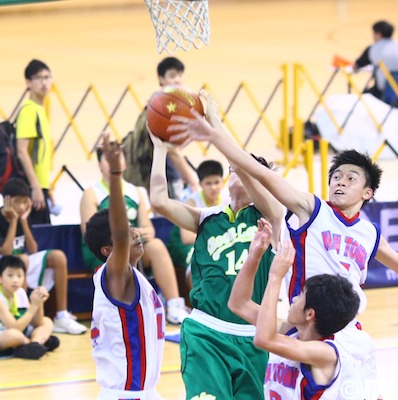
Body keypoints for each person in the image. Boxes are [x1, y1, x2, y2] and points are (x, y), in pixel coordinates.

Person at [168, 90, 398, 399]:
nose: (340, 181)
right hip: (304, 323)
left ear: (368, 193)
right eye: (336, 176)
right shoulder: (311, 209)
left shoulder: (368, 233)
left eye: (351, 178)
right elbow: (259, 171)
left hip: (346, 330)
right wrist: (215, 127)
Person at [150, 129, 285, 399]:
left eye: (248, 169)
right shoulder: (206, 217)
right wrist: (160, 148)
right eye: (235, 168)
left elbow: (272, 202)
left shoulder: (273, 215)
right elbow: (159, 202)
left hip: (253, 335)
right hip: (206, 331)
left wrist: (234, 153)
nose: (238, 171)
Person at [229, 219, 361, 399]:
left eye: (302, 295)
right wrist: (255, 255)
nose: (295, 298)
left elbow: (264, 339)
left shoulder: (326, 353)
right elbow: (239, 304)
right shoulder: (290, 332)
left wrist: (275, 276)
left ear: (310, 314)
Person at [85, 134, 165, 400]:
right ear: (108, 252)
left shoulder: (132, 278)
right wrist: (116, 173)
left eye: (133, 226)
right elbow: (119, 234)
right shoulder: (115, 275)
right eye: (126, 229)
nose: (134, 232)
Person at [79, 144, 190, 325]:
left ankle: (174, 305)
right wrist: (121, 237)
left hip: (132, 245)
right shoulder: (91, 193)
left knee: (156, 246)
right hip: (106, 250)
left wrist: (134, 232)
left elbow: (149, 229)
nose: (114, 162)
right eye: (108, 158)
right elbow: (89, 232)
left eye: (119, 157)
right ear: (99, 164)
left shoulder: (136, 191)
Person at [0, 178, 87, 335]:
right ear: (7, 200)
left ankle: (62, 315)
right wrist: (14, 221)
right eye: (18, 202)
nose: (23, 206)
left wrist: (23, 221)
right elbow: (5, 252)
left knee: (58, 257)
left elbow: (33, 249)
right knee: (21, 261)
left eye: (25, 202)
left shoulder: (24, 216)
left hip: (20, 261)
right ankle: (21, 318)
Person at [122, 56, 198, 200]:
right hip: (165, 175)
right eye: (172, 76)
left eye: (180, 75)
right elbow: (172, 150)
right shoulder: (163, 108)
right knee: (174, 218)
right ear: (161, 79)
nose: (178, 80)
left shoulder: (154, 102)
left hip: (153, 175)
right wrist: (192, 180)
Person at [0, 255, 59, 360]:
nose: (15, 280)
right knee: (14, 335)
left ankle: (35, 344)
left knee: (47, 321)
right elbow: (16, 328)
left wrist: (39, 303)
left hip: (12, 330)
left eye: (19, 276)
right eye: (10, 275)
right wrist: (34, 306)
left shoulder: (20, 292)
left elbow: (37, 322)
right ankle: (37, 343)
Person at [165, 159, 228, 290]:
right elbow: (186, 238)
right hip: (184, 246)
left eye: (217, 182)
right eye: (208, 183)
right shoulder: (192, 201)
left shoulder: (227, 201)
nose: (213, 187)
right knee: (198, 261)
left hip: (213, 242)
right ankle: (198, 301)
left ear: (222, 182)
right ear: (200, 184)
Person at [16, 59, 55, 224]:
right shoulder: (29, 111)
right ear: (28, 82)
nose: (44, 82)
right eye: (39, 78)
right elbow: (22, 151)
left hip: (41, 186)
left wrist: (47, 187)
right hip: (32, 188)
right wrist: (36, 187)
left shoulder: (40, 110)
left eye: (47, 77)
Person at [353, 20, 398, 99]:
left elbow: (356, 66)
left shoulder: (372, 49)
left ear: (378, 34)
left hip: (384, 91)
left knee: (361, 98)